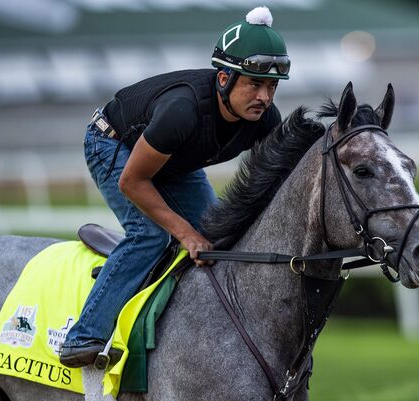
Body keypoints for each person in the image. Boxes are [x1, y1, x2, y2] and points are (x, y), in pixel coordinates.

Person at [59, 6, 291, 368]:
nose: (264, 97)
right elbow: (133, 182)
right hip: (114, 144)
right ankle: (83, 336)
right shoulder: (182, 110)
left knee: (219, 237)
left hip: (176, 160)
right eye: (254, 83)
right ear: (224, 79)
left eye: (271, 87)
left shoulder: (265, 120)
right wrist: (183, 232)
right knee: (152, 235)